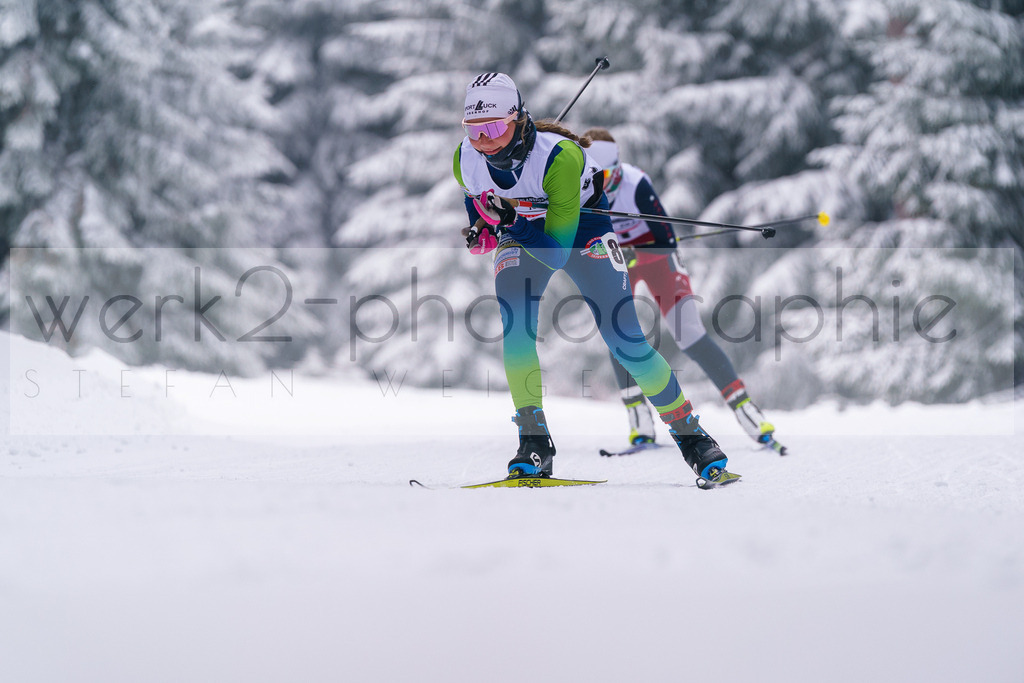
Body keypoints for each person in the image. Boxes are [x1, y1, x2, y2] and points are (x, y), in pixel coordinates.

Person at [453, 72, 739, 486]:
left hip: (581, 234)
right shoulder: (464, 158)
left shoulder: (561, 158)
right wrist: (483, 227)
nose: (485, 141)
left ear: (518, 119)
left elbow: (554, 252)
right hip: (523, 232)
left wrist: (511, 217)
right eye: (474, 131)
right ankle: (533, 442)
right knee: (516, 330)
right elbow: (475, 200)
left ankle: (692, 437)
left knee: (626, 341)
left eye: (494, 128)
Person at [583, 127, 786, 455]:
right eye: (593, 175)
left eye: (605, 174)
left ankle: (746, 409)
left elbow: (665, 238)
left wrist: (637, 250)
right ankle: (639, 419)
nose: (599, 182)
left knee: (689, 334)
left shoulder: (636, 185)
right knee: (618, 331)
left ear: (617, 168)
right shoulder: (579, 189)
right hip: (619, 260)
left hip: (656, 259)